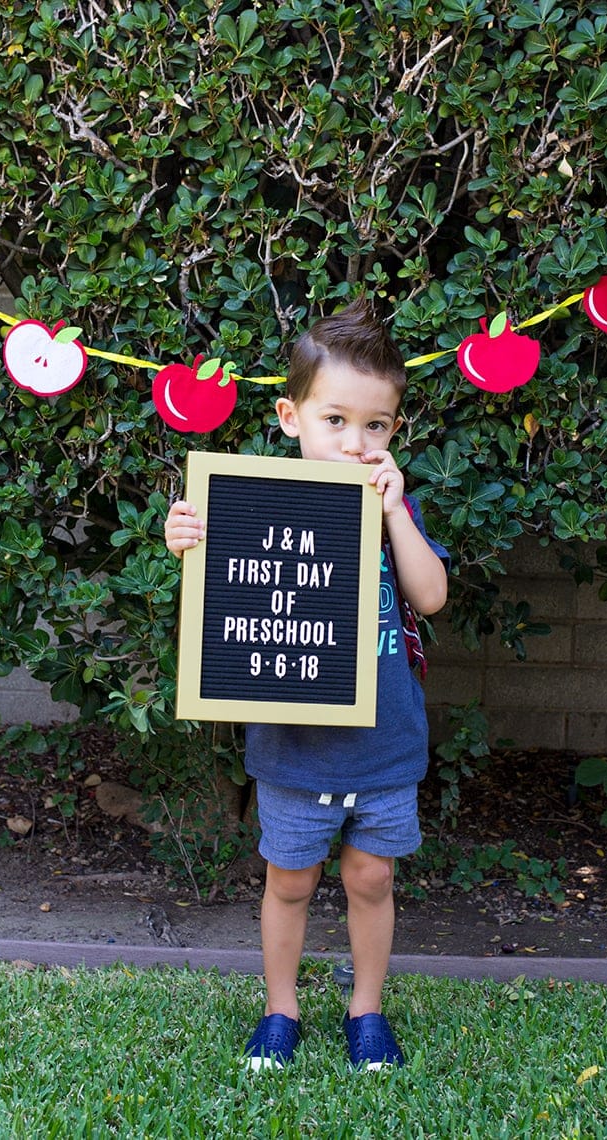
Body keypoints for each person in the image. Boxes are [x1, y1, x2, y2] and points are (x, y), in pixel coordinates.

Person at [164, 297, 449, 1072]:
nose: (355, 442)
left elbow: (430, 596)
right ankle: (280, 1009)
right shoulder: (248, 505)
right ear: (291, 417)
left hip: (384, 747)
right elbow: (223, 604)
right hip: (294, 751)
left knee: (371, 875)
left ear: (395, 432)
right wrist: (189, 540)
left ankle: (367, 1012)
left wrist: (396, 515)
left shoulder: (397, 509)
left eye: (376, 426)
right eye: (335, 421)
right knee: (289, 882)